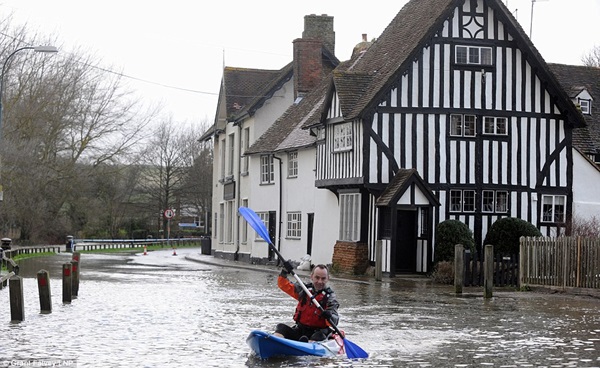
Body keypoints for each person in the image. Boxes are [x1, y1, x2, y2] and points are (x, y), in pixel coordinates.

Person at [274, 262, 339, 342]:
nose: (319, 281)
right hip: (301, 329)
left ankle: (307, 346)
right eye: (317, 278)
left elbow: (335, 320)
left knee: (317, 336)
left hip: (319, 332)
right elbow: (284, 285)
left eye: (323, 279)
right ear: (311, 276)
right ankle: (276, 343)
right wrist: (284, 271)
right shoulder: (304, 290)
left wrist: (329, 316)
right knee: (281, 327)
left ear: (327, 279)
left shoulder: (330, 297)